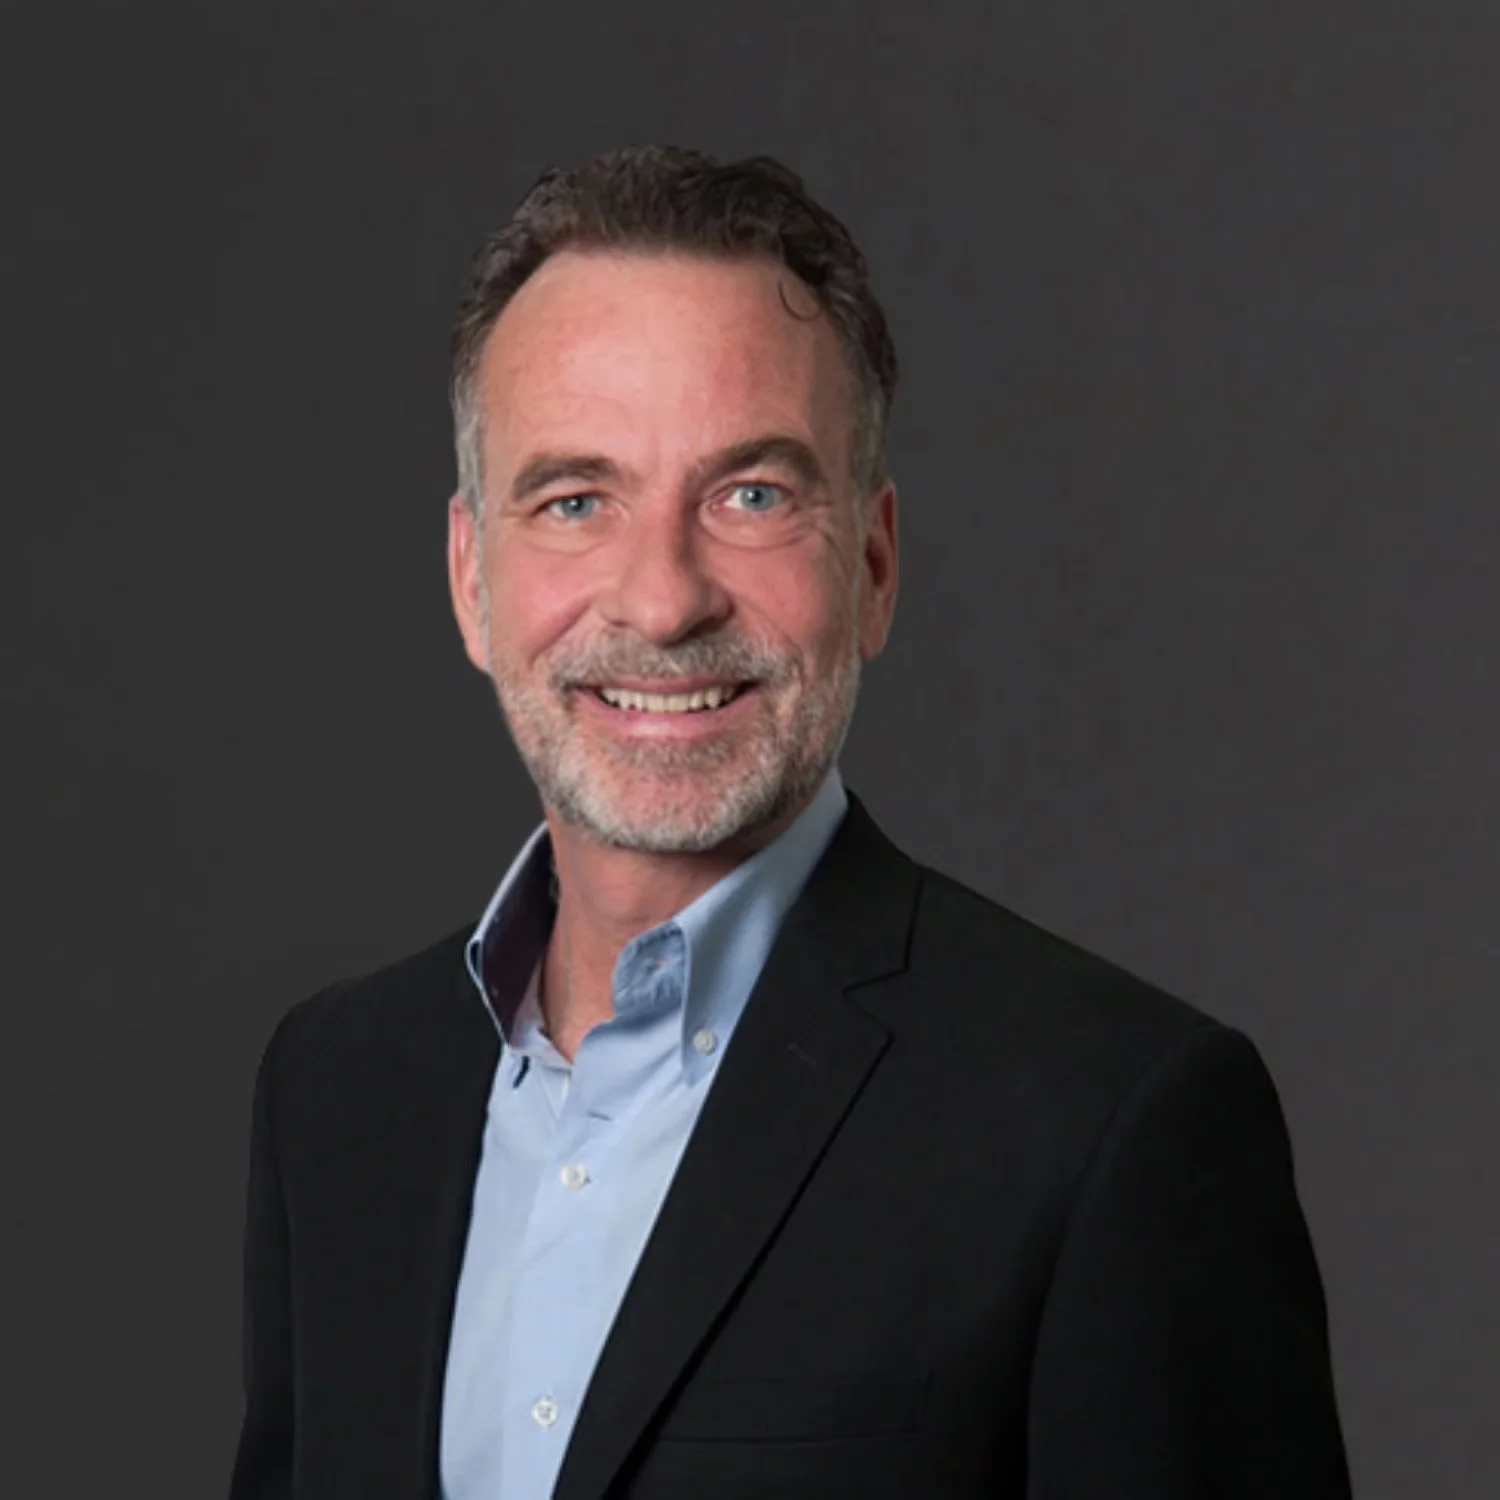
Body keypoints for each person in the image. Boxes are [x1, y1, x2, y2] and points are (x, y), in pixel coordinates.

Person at [229, 145, 1351, 1500]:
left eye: (750, 495)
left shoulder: (1112, 1123)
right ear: (474, 579)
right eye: (575, 500)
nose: (660, 600)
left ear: (870, 566)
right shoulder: (339, 1093)